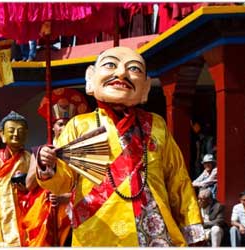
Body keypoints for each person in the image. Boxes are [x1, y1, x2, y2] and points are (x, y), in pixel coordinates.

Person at [36, 47, 204, 246]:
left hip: (154, 230)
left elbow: (178, 180)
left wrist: (192, 229)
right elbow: (63, 182)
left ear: (146, 86)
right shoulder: (79, 125)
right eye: (110, 65)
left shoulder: (156, 125)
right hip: (98, 229)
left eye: (134, 69)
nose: (122, 73)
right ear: (91, 77)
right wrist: (49, 166)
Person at [23, 87, 90, 247]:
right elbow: (28, 184)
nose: (64, 128)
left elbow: (87, 186)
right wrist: (44, 164)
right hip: (46, 214)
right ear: (52, 126)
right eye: (60, 124)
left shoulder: (82, 153)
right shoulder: (40, 151)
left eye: (68, 124)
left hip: (74, 210)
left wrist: (65, 197)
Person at [0, 111, 31, 247]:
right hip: (2, 208)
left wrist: (27, 188)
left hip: (24, 207)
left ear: (26, 134)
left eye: (20, 131)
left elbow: (37, 185)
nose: (16, 134)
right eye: (11, 130)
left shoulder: (30, 158)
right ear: (2, 134)